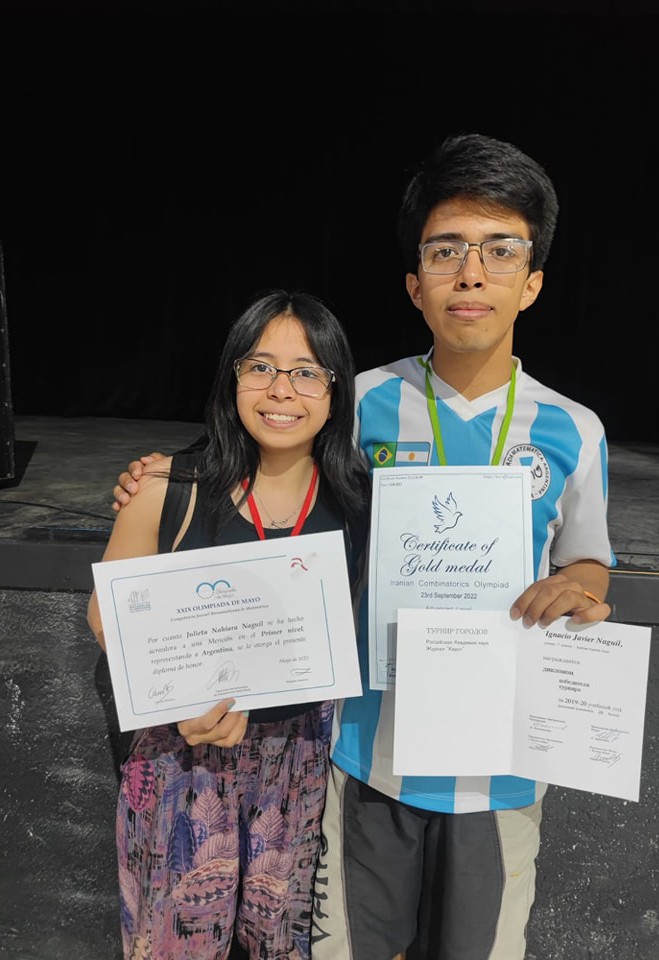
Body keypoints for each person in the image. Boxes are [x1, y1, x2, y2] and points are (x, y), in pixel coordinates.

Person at [111, 132, 616, 960]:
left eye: (499, 251)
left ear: (531, 281)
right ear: (415, 284)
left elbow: (587, 560)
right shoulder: (362, 404)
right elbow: (266, 460)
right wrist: (163, 476)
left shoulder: (572, 430)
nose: (471, 271)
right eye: (446, 249)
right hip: (364, 753)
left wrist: (585, 588)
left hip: (499, 769)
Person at [89, 289, 370, 960]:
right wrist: (184, 699)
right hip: (179, 756)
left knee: (278, 944)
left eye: (306, 372)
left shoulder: (356, 502)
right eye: (260, 367)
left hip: (295, 759)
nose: (282, 390)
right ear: (232, 379)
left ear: (334, 392)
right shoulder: (170, 490)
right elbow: (108, 612)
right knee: (174, 943)